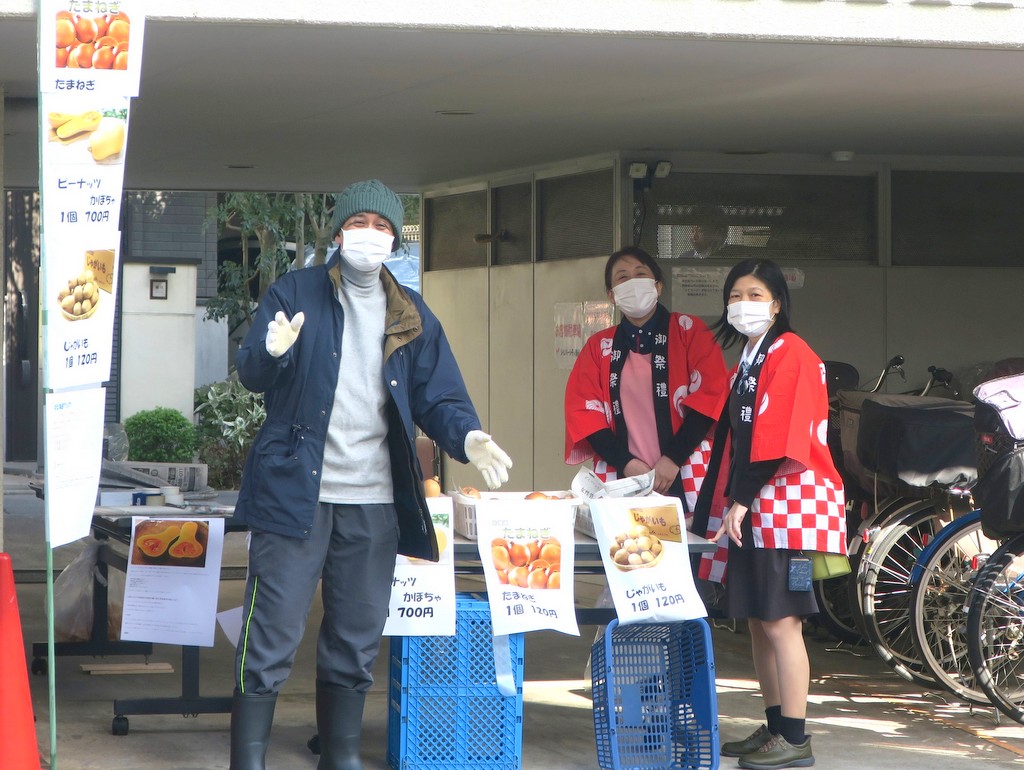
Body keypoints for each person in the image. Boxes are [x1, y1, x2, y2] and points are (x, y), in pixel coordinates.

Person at [229, 178, 513, 770]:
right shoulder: (294, 291)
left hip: (376, 501)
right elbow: (252, 373)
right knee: (272, 634)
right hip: (294, 497)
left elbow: (440, 396)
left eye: (383, 227)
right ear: (338, 233)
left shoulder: (410, 311)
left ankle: (341, 756)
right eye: (361, 224)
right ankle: (248, 758)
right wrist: (272, 352)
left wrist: (468, 435)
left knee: (356, 637)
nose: (372, 235)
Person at [691, 258, 846, 770]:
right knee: (760, 620)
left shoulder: (791, 353)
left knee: (782, 623)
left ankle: (795, 737)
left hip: (787, 506)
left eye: (756, 294)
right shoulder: (753, 355)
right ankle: (776, 725)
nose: (744, 304)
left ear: (778, 302)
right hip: (759, 506)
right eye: (737, 294)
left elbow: (777, 436)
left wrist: (740, 497)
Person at [564, 246, 728, 513]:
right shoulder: (598, 346)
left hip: (686, 469)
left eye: (641, 274)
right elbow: (583, 414)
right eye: (622, 278)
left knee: (692, 549)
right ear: (612, 295)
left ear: (658, 286)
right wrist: (626, 462)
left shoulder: (689, 331)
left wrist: (672, 458)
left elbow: (711, 396)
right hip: (622, 476)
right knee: (627, 550)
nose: (633, 282)